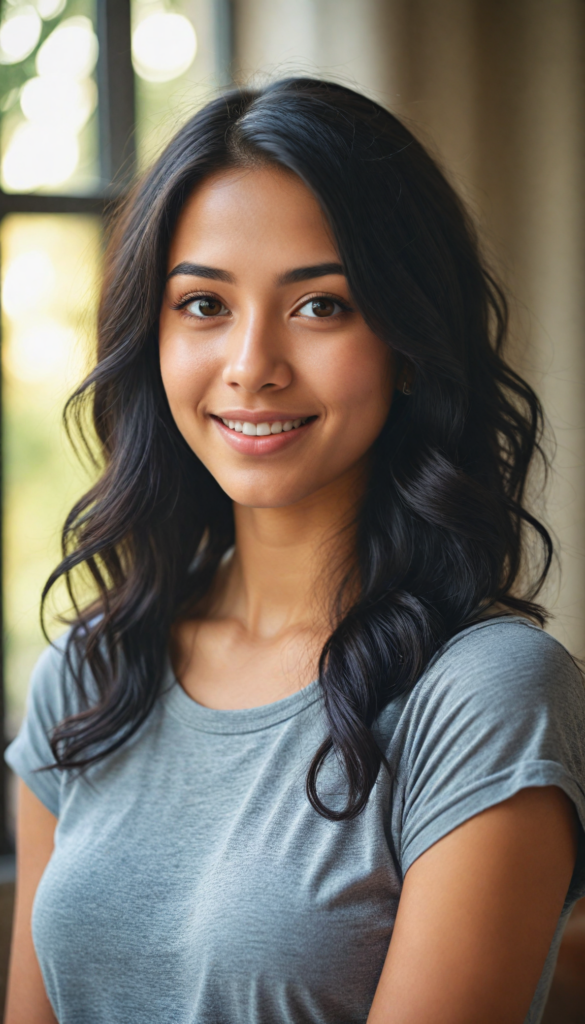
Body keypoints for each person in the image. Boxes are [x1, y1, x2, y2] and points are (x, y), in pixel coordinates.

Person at [4, 78, 585, 1024]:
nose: (251, 364)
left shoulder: (486, 696)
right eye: (203, 305)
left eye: (320, 306)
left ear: (407, 341)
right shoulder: (93, 671)